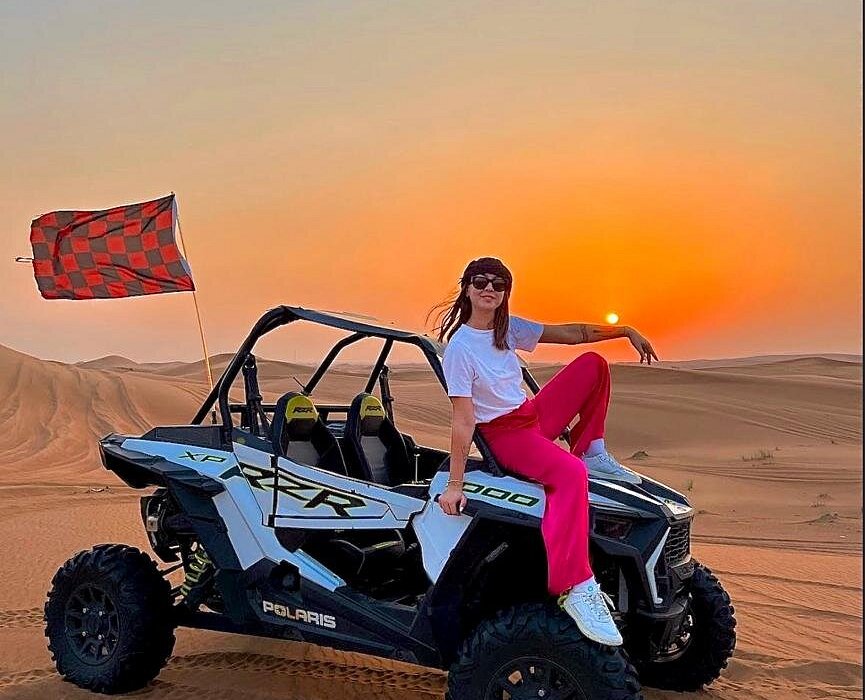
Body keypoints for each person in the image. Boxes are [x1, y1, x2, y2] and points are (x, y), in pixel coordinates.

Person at [428, 256, 658, 647]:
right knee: (569, 475)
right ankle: (575, 585)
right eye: (481, 281)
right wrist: (454, 484)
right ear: (467, 287)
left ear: (506, 293)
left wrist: (624, 329)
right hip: (505, 436)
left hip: (530, 417)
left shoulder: (508, 330)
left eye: (498, 284)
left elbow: (572, 334)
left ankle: (591, 449)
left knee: (592, 365)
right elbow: (464, 420)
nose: (489, 289)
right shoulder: (460, 349)